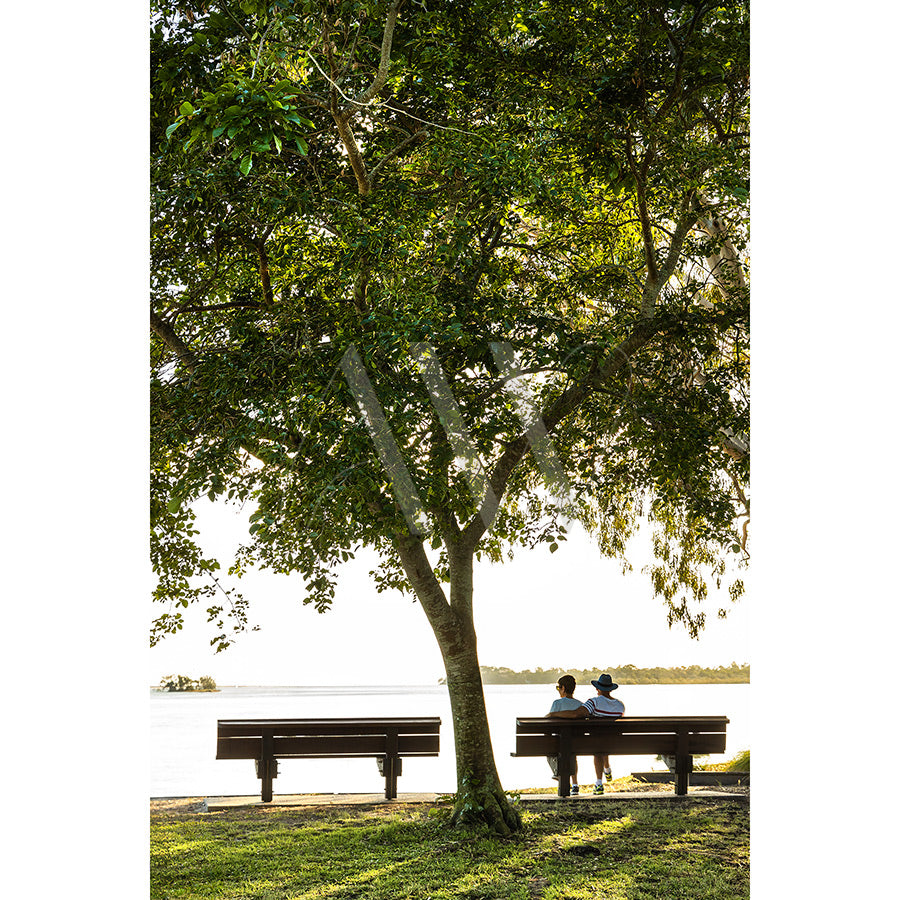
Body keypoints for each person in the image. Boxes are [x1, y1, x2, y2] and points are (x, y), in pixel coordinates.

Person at [545, 674, 588, 794]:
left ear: (563, 688)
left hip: (559, 741)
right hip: (578, 742)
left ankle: (558, 773)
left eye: (558, 687)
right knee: (572, 755)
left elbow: (550, 724)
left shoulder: (557, 703)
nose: (558, 690)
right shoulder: (581, 705)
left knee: (551, 751)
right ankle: (574, 784)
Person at [582, 673, 625, 794]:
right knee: (604, 740)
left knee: (598, 746)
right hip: (615, 741)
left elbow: (579, 713)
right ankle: (607, 769)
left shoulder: (593, 702)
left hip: (597, 741)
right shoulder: (620, 705)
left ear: (598, 688)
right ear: (611, 688)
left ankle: (599, 783)